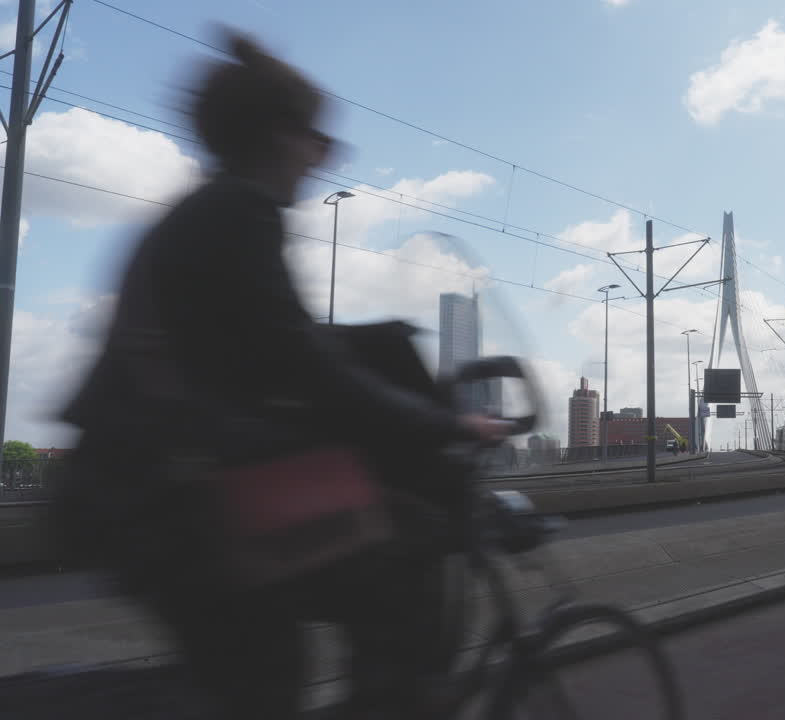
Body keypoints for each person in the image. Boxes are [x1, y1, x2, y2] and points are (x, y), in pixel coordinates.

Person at [53, 31, 511, 720]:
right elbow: (309, 366)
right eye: (318, 141)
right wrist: (448, 422)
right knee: (397, 558)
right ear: (281, 136)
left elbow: (279, 351)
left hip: (140, 485)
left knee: (268, 660)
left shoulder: (209, 212)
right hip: (154, 498)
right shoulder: (237, 213)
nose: (324, 159)